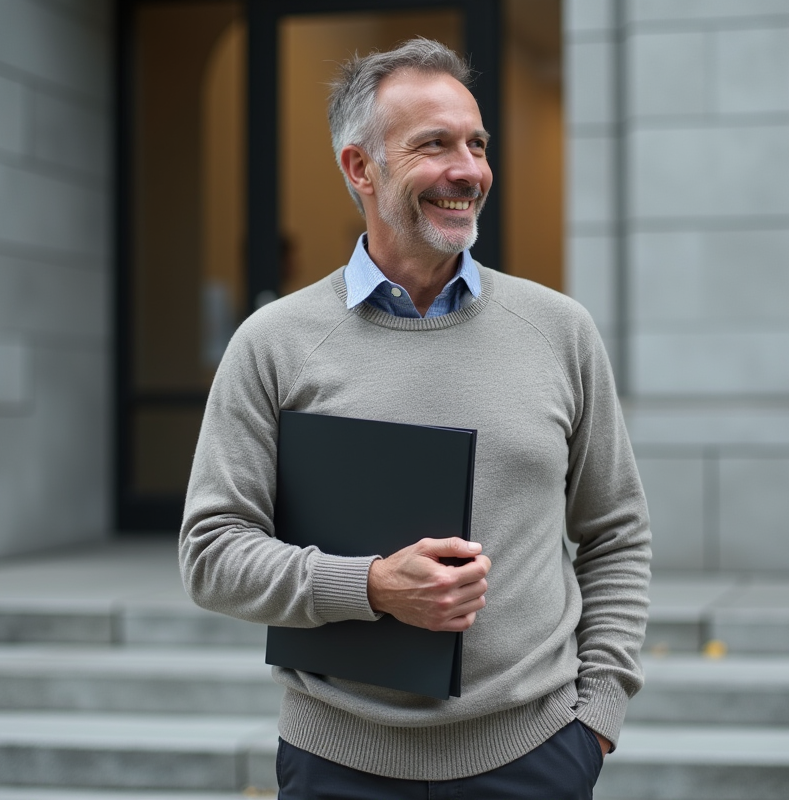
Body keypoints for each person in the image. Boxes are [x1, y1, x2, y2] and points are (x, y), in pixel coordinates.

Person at [179, 37, 651, 799]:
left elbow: (616, 532)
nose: (469, 170)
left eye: (477, 144)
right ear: (360, 167)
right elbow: (210, 553)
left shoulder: (560, 330)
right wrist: (370, 585)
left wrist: (596, 717)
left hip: (535, 759)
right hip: (337, 765)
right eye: (435, 145)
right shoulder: (273, 344)